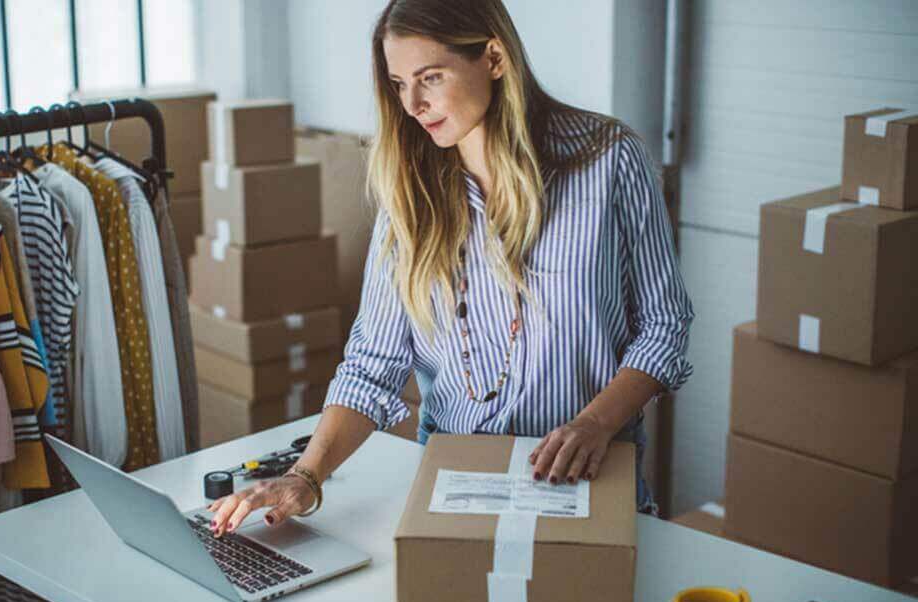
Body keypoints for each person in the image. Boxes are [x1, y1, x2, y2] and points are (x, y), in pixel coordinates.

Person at [207, 0, 694, 536]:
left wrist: (595, 423)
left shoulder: (608, 160)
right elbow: (373, 364)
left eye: (429, 77)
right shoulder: (410, 197)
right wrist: (305, 477)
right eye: (398, 84)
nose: (412, 103)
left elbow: (664, 325)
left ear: (493, 58)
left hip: (588, 483)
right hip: (458, 488)